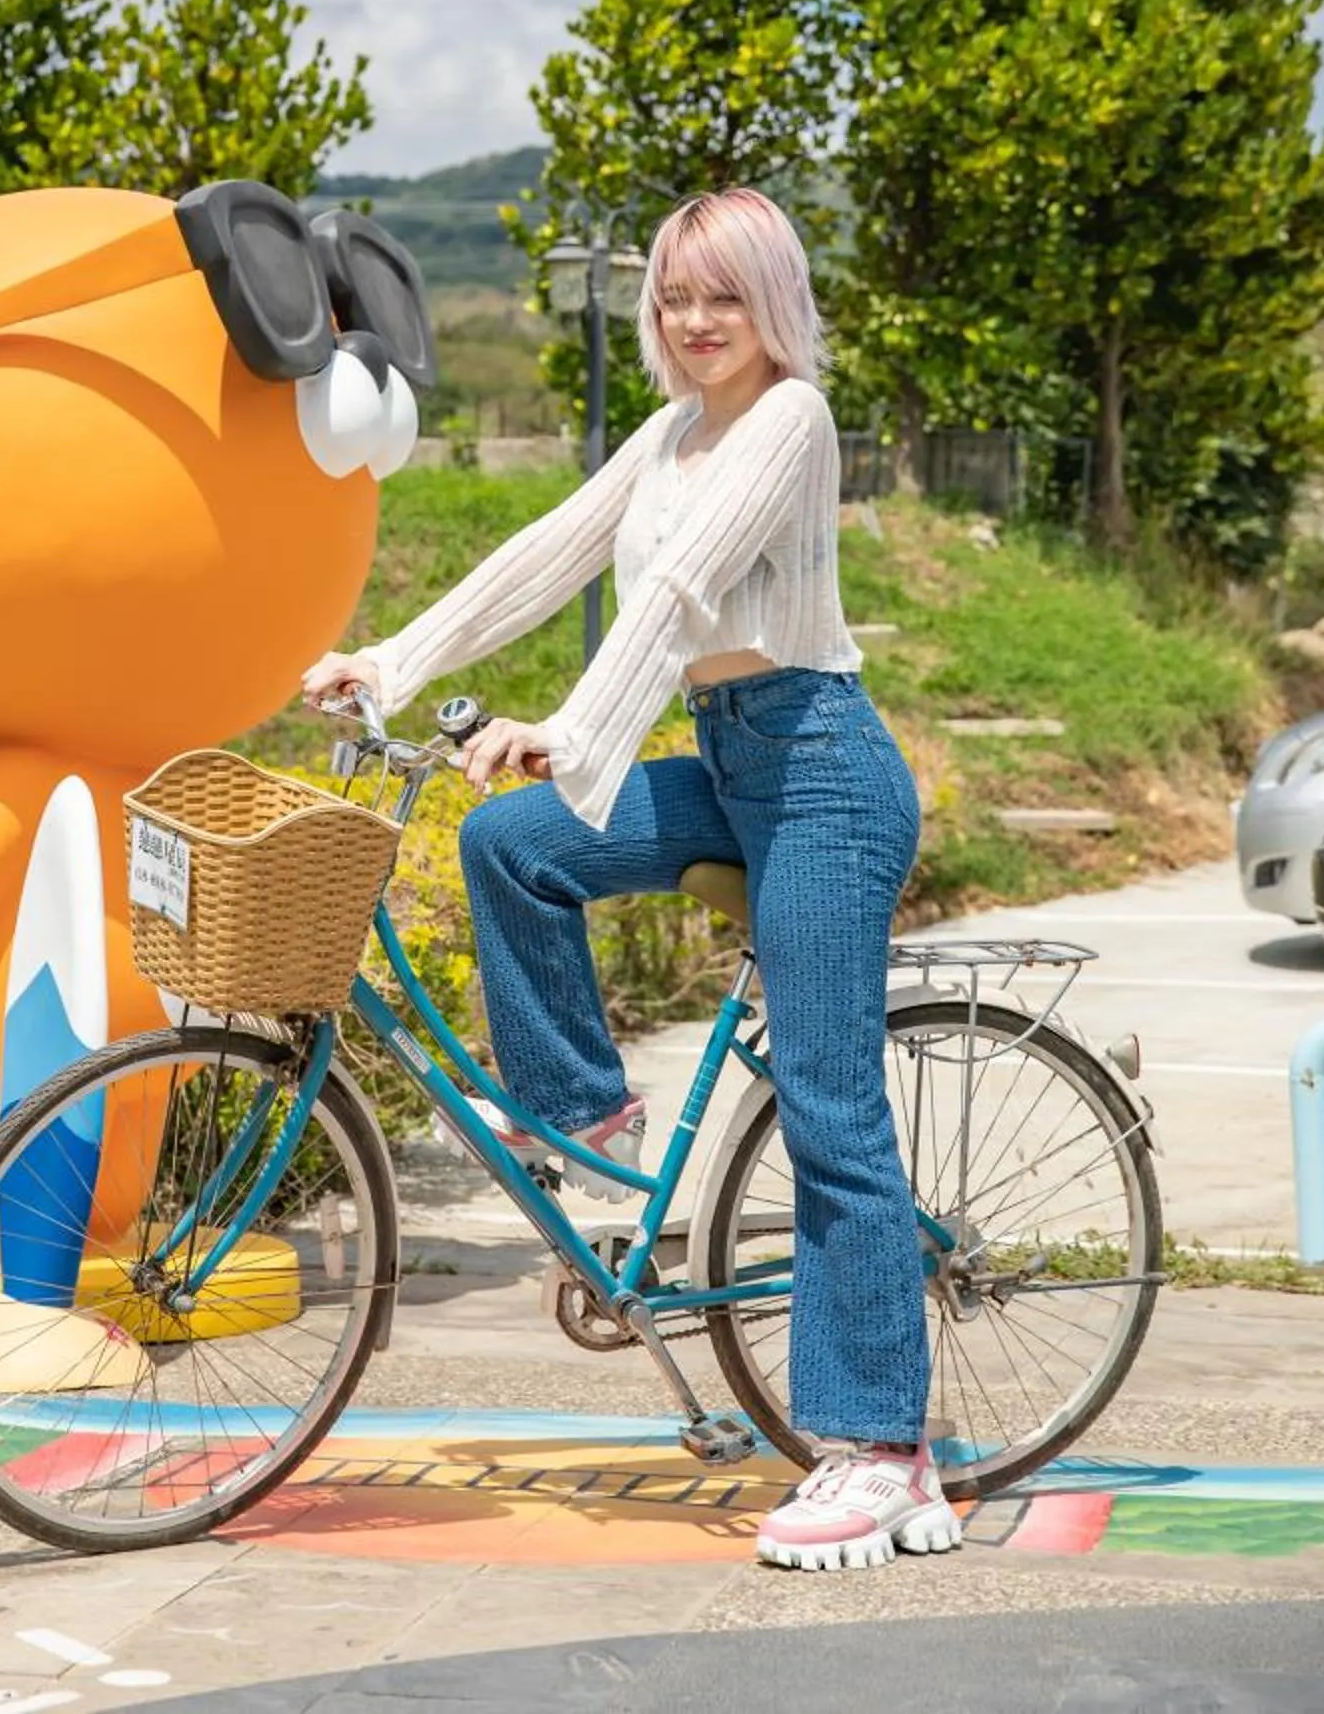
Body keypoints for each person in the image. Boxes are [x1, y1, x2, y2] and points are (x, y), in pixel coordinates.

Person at [303, 186, 958, 1573]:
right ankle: (585, 1108)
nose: (695, 319)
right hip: (730, 758)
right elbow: (551, 551)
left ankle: (881, 1451)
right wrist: (393, 662)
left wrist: (575, 732)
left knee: (832, 1107)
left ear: (770, 302)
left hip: (825, 773)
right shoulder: (673, 432)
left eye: (722, 294)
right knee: (513, 845)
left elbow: (674, 599)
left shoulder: (790, 418)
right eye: (674, 296)